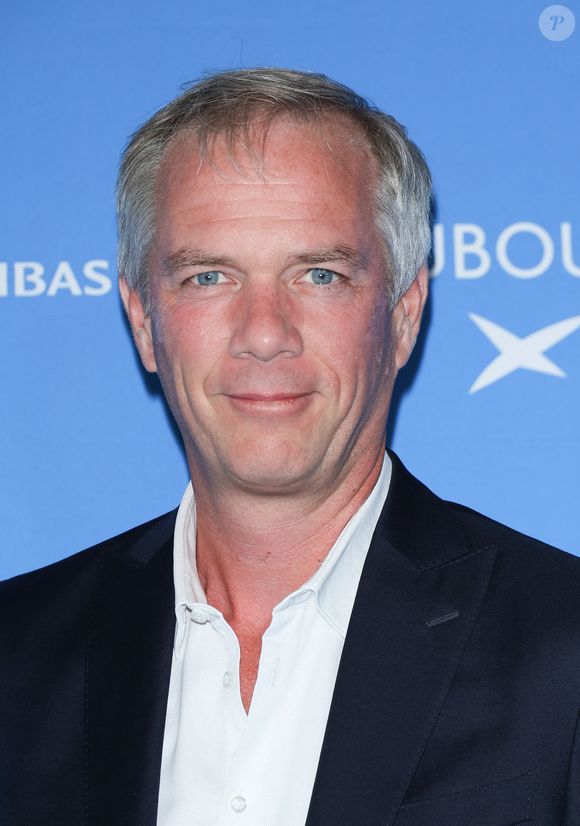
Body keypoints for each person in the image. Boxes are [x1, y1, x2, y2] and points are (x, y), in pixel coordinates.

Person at [1, 68, 579, 826]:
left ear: (403, 315)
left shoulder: (562, 652)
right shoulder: (17, 656)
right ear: (144, 321)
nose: (265, 334)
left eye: (319, 274)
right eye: (209, 276)